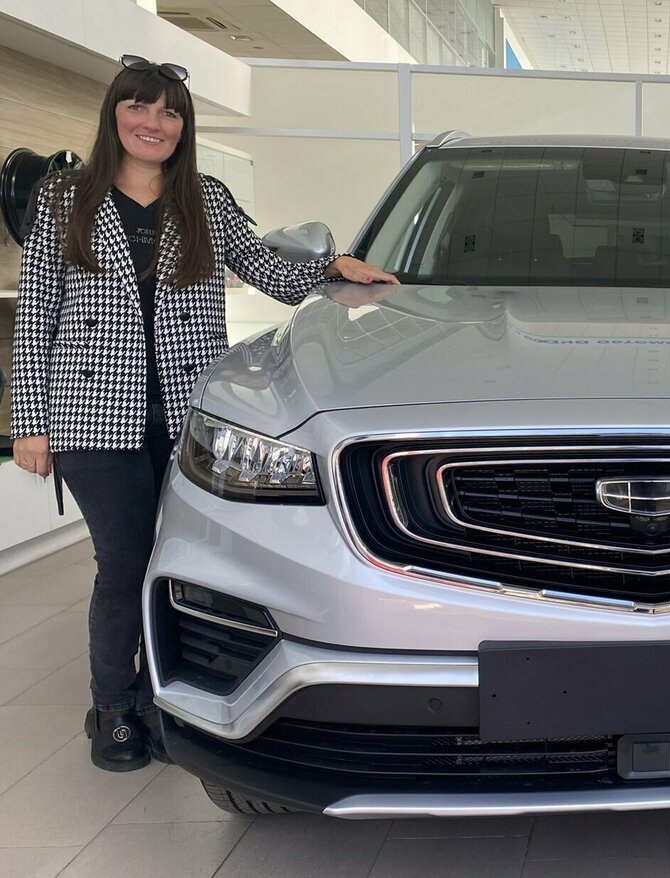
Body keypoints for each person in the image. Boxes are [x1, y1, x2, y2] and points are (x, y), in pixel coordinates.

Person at [8, 55, 397, 772]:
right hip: (92, 417)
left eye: (169, 113)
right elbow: (35, 318)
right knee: (124, 563)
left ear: (183, 129)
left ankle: (158, 700)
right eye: (139, 107)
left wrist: (335, 266)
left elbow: (269, 271)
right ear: (114, 114)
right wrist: (29, 422)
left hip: (191, 422)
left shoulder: (205, 200)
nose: (153, 123)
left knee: (178, 561)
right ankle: (112, 709)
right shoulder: (66, 198)